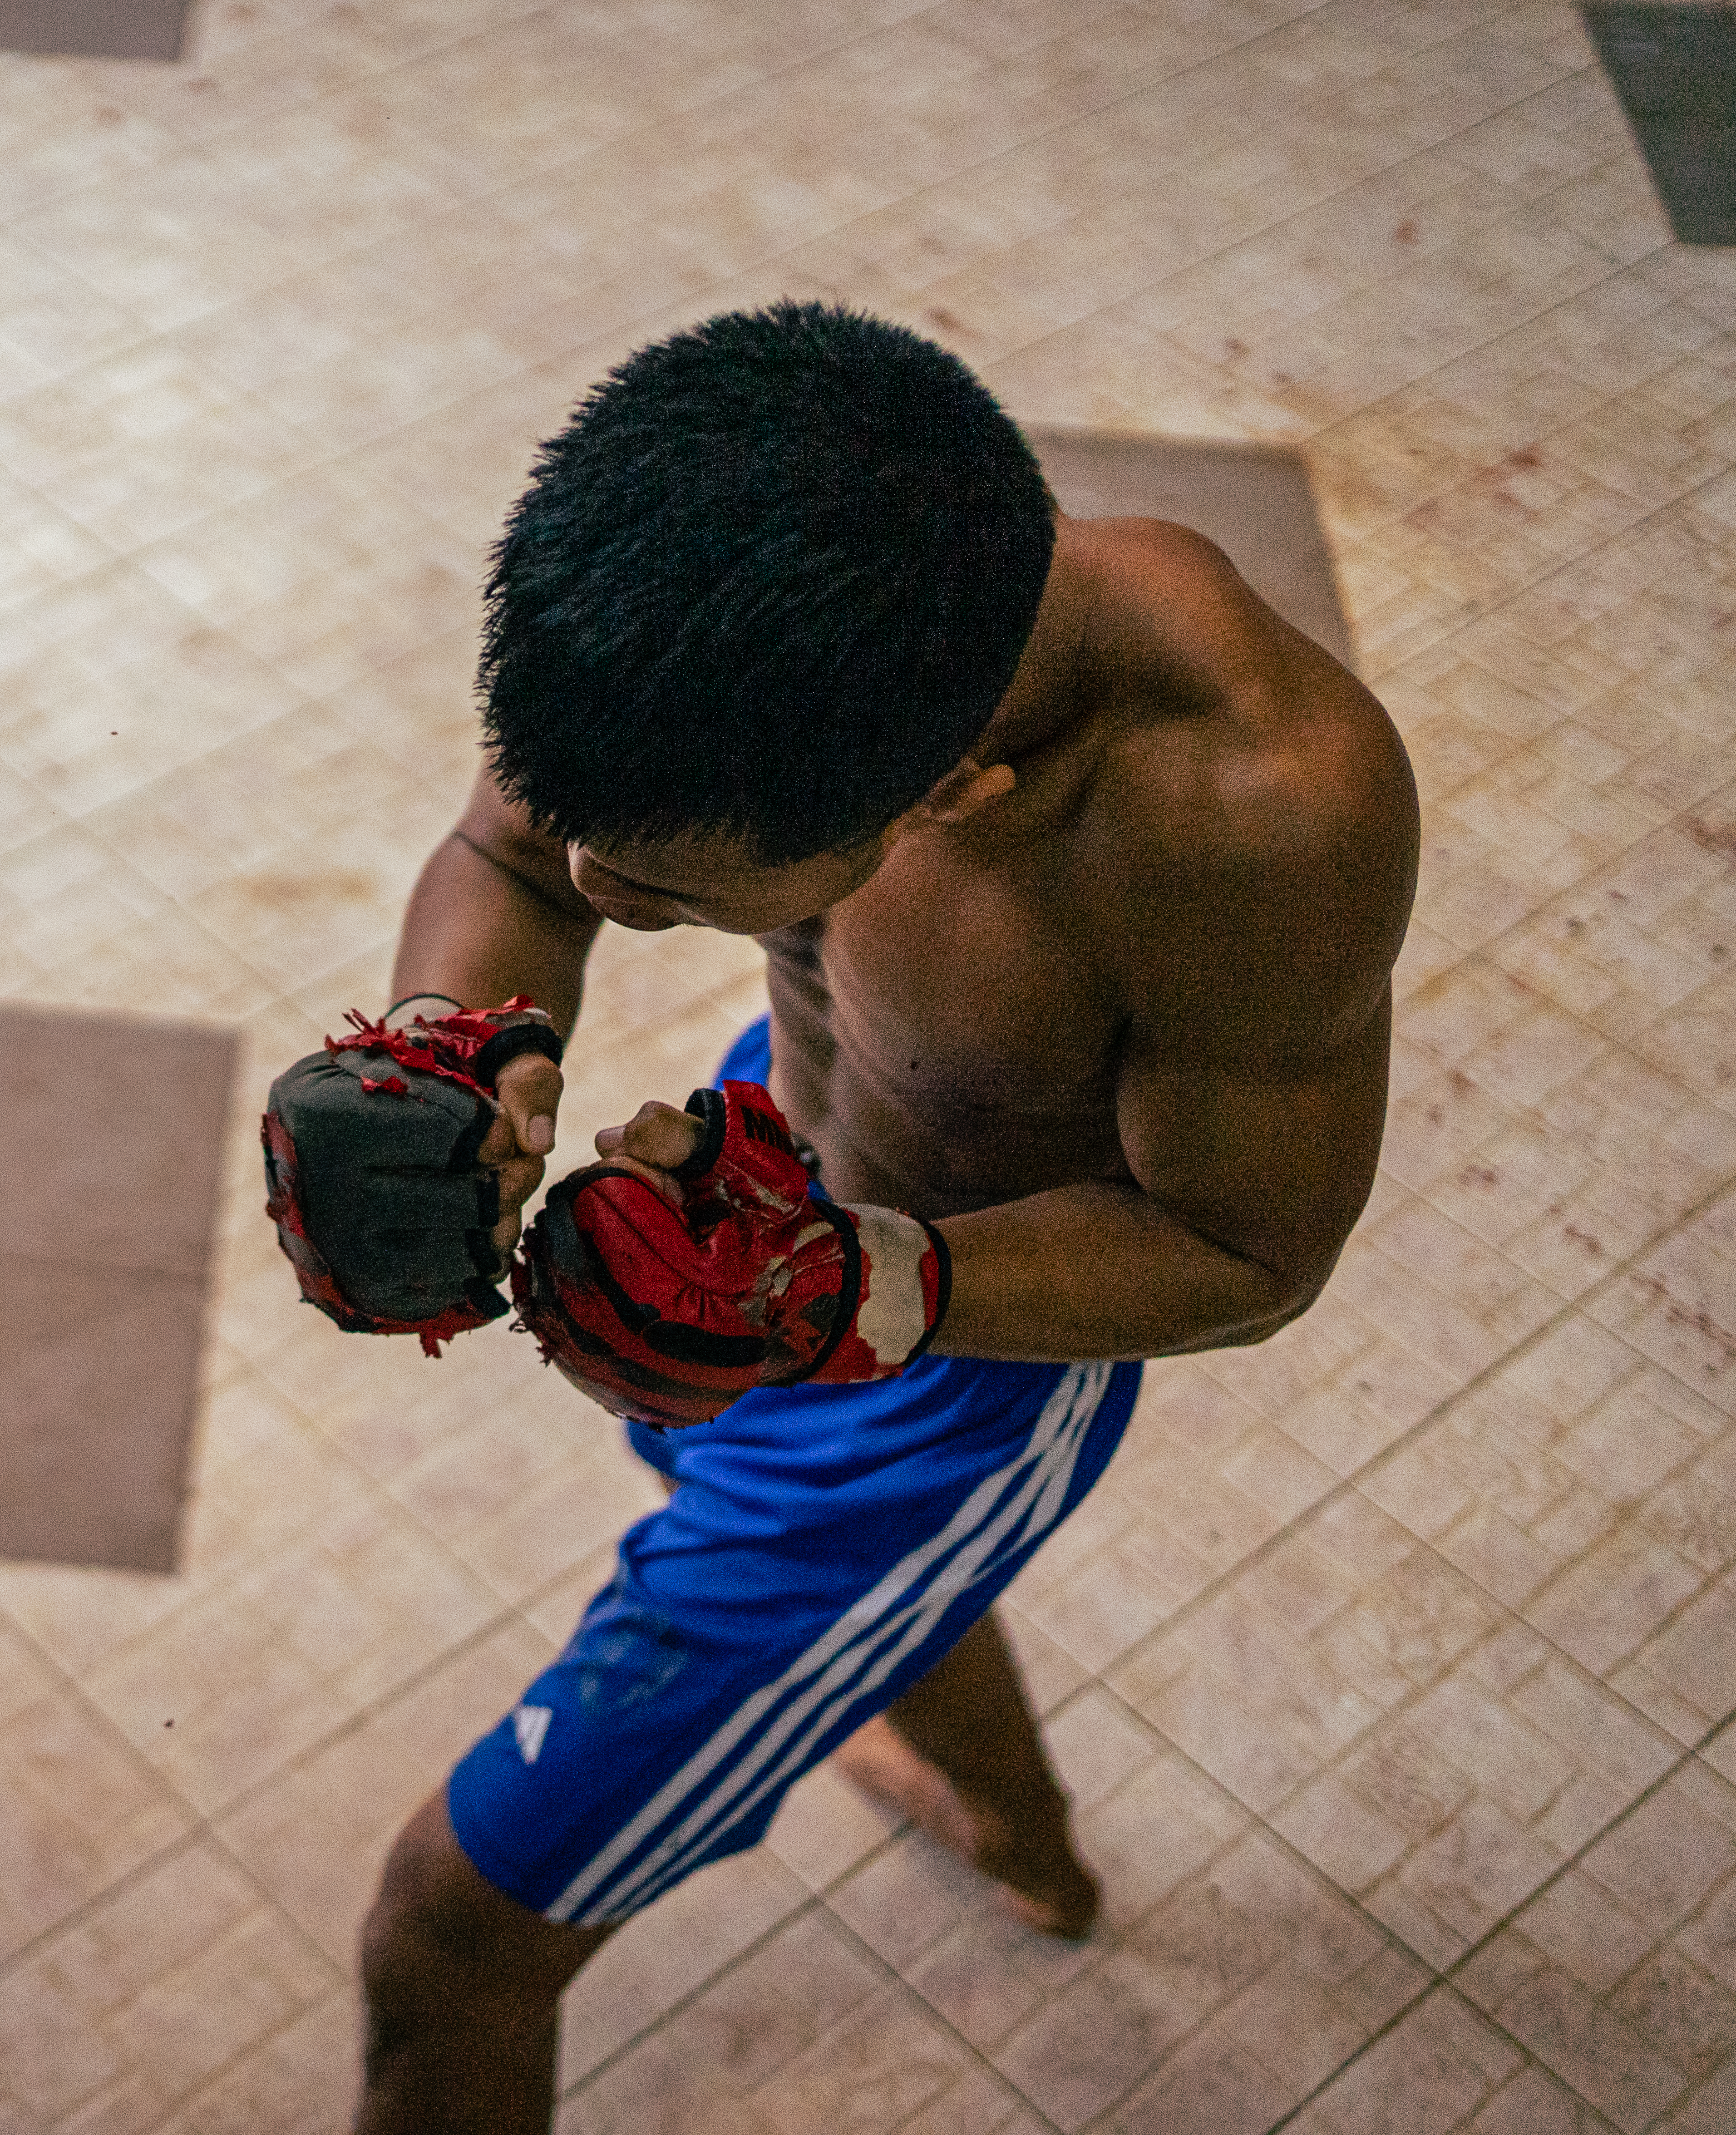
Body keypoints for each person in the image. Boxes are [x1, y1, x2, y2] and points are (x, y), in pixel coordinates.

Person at [347, 302, 1418, 2133]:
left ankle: (992, 1798)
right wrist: (458, 1054)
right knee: (813, 1564)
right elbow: (513, 855)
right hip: (768, 1194)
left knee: (447, 1945)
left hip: (953, 1381)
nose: (593, 889)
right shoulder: (730, 608)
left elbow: (1250, 1257)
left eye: (665, 889)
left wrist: (850, 1295)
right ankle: (1026, 1845)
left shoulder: (1248, 808)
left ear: (950, 800)